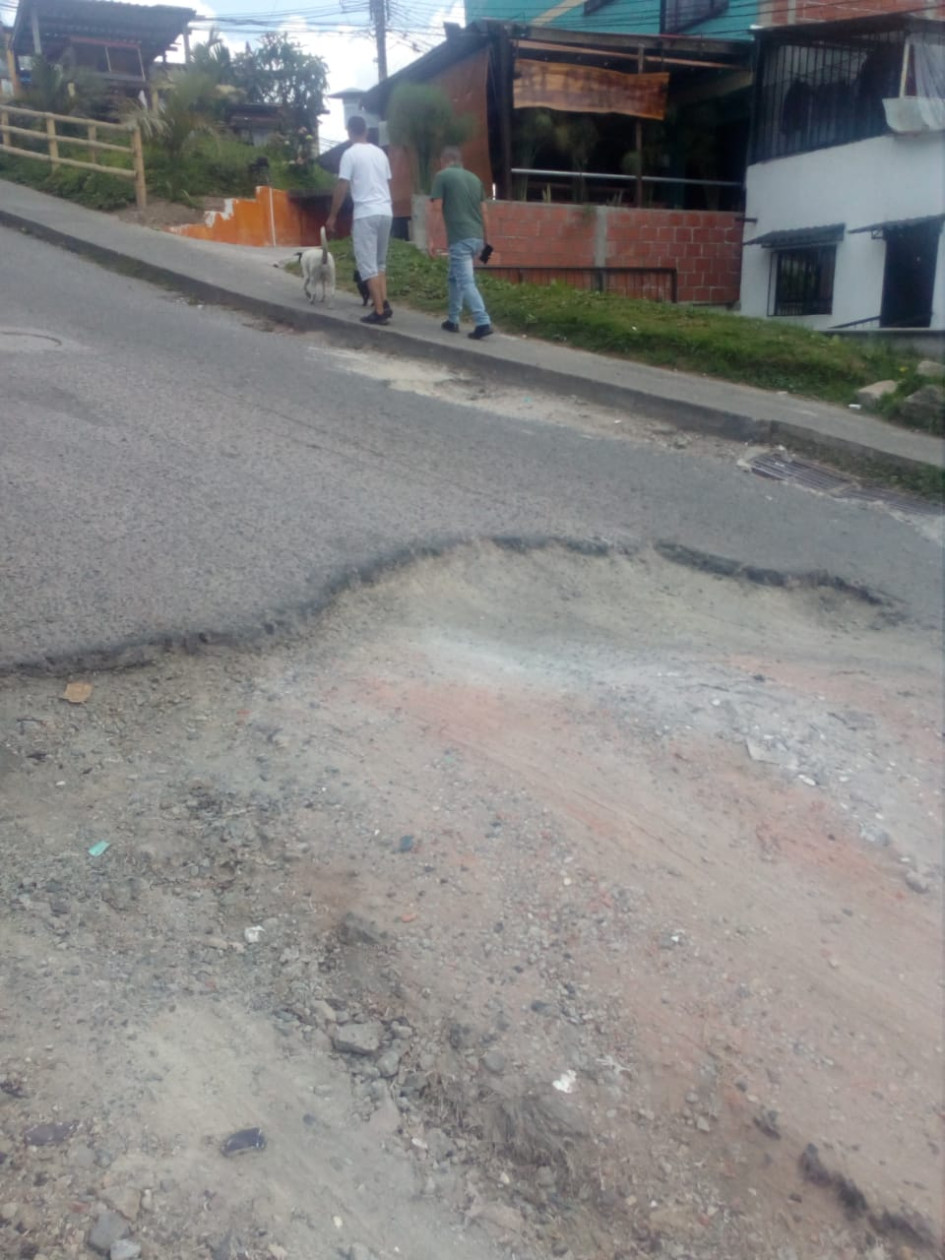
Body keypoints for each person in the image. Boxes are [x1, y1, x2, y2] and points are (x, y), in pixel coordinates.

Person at [326, 115, 393, 325]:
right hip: (386, 211)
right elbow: (386, 180)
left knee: (367, 264)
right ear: (366, 130)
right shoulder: (380, 153)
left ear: (349, 132)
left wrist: (333, 215)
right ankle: (384, 302)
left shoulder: (350, 154)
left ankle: (379, 311)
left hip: (366, 213)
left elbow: (342, 185)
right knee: (380, 262)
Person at [428, 147, 493, 341]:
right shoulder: (475, 179)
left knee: (465, 281)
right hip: (477, 239)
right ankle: (452, 320)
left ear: (443, 160)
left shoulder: (442, 176)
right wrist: (487, 244)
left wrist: (431, 239)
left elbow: (437, 209)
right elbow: (485, 213)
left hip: (460, 239)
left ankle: (482, 321)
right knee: (454, 278)